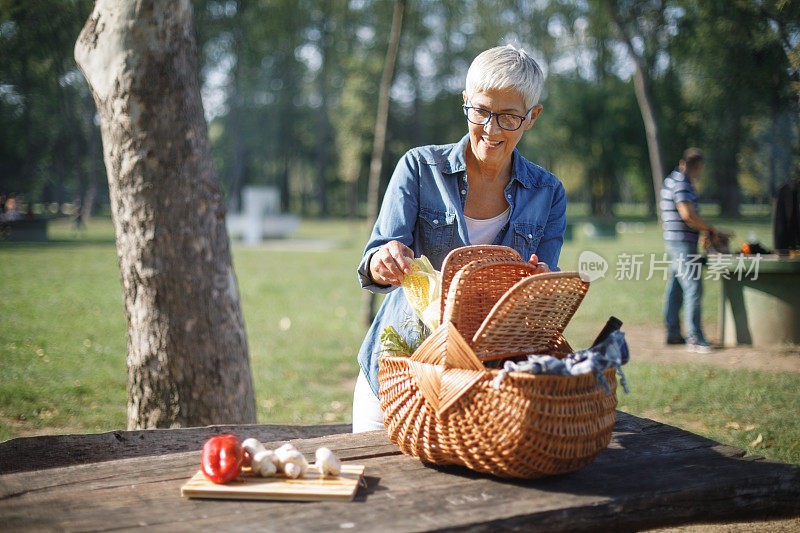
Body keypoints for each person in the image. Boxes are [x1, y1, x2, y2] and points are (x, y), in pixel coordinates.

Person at [353, 45, 567, 432]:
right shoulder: (419, 169)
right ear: (466, 102)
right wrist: (383, 261)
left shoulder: (548, 192)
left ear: (531, 117)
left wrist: (538, 284)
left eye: (509, 117)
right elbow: (373, 260)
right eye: (482, 111)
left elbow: (542, 288)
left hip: (484, 384)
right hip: (399, 372)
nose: (492, 129)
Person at [660, 148, 717, 353]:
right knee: (693, 288)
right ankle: (695, 337)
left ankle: (673, 332)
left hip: (674, 241)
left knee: (675, 288)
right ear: (697, 166)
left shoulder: (671, 180)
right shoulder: (682, 183)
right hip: (683, 243)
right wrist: (709, 229)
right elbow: (687, 214)